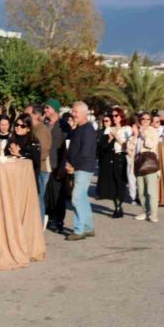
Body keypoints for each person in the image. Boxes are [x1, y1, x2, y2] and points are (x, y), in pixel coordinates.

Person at [64, 101, 97, 241]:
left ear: (84, 113)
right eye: (73, 111)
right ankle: (88, 228)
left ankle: (79, 230)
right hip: (78, 166)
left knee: (76, 198)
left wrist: (73, 166)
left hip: (84, 167)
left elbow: (85, 152)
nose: (73, 114)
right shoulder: (78, 128)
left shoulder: (88, 130)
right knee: (82, 198)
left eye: (76, 111)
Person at [43, 98, 71, 233]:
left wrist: (63, 166)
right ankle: (48, 217)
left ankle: (59, 220)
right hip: (44, 164)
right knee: (46, 194)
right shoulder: (44, 124)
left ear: (54, 109)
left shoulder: (64, 126)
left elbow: (68, 147)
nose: (45, 110)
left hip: (57, 164)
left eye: (48, 108)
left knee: (58, 194)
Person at [98, 110, 129, 218]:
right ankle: (117, 207)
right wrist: (109, 139)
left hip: (120, 156)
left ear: (121, 116)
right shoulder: (109, 129)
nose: (114, 117)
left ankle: (119, 207)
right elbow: (103, 144)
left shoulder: (126, 129)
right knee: (113, 183)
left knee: (120, 182)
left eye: (116, 115)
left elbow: (126, 146)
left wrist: (116, 136)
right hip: (110, 157)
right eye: (113, 116)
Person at [27, 104, 52, 223]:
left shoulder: (42, 131)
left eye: (29, 114)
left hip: (41, 169)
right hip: (33, 168)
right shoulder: (33, 129)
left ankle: (40, 224)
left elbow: (44, 152)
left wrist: (29, 160)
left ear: (36, 115)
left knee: (39, 197)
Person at [134, 111, 160, 222]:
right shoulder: (137, 132)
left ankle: (154, 214)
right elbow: (132, 147)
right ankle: (146, 212)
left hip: (149, 164)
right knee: (141, 191)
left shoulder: (152, 131)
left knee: (151, 191)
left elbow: (150, 144)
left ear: (150, 121)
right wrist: (135, 135)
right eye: (142, 119)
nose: (144, 121)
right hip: (139, 163)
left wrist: (143, 133)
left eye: (147, 119)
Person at [5, 113, 42, 177]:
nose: (18, 127)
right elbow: (5, 154)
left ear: (28, 129)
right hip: (12, 174)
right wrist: (10, 152)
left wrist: (19, 154)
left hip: (27, 177)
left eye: (23, 126)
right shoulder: (12, 139)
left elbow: (36, 162)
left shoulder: (33, 142)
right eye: (17, 125)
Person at [96, 114, 114, 199]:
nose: (105, 123)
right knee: (102, 175)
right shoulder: (100, 131)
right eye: (104, 121)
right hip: (102, 155)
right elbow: (98, 143)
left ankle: (110, 193)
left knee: (110, 175)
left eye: (107, 121)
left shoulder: (113, 131)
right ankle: (101, 193)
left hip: (111, 155)